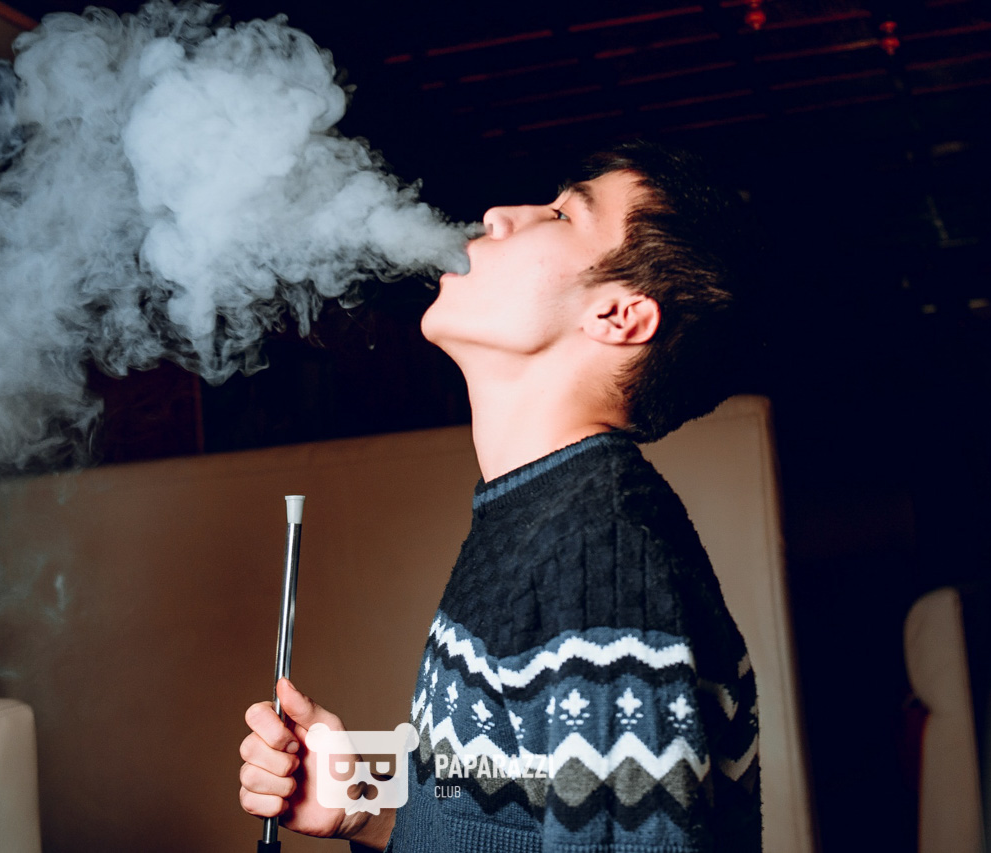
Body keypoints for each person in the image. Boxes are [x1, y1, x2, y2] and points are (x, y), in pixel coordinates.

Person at [238, 139, 762, 852]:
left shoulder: (599, 548)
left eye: (563, 214)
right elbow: (505, 816)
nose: (499, 216)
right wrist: (364, 804)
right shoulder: (533, 512)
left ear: (618, 315)